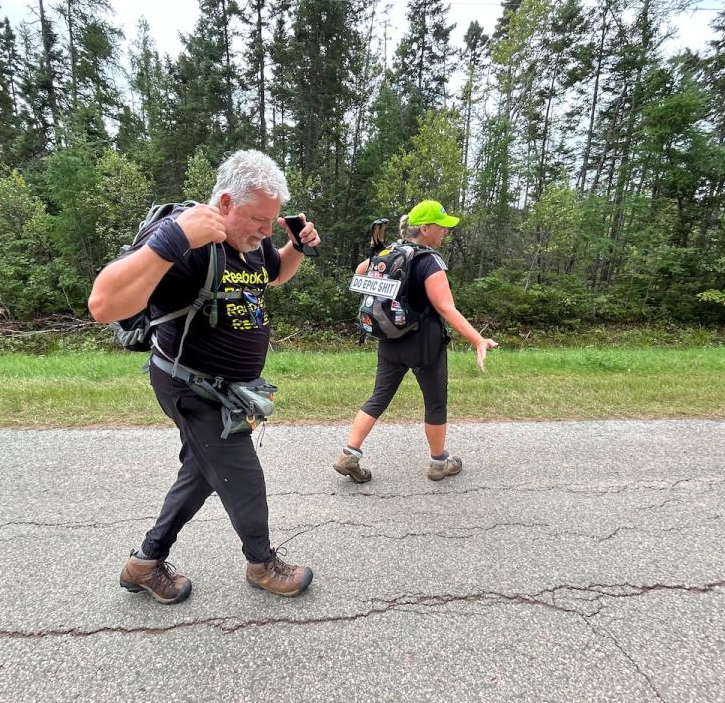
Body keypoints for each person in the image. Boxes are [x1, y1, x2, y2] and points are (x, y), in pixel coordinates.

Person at [88, 150, 319, 604]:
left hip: (231, 390)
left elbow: (274, 277)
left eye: (273, 221)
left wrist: (297, 249)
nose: (266, 230)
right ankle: (261, 564)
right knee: (243, 475)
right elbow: (103, 305)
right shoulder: (185, 240)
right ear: (227, 203)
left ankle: (144, 564)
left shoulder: (253, 244)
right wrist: (172, 240)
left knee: (202, 472)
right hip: (190, 384)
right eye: (258, 219)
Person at [334, 200, 498, 484]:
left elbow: (360, 273)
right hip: (424, 345)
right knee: (435, 402)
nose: (445, 232)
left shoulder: (390, 252)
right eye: (442, 227)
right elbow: (447, 308)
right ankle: (439, 464)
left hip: (389, 338)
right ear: (425, 228)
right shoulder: (428, 261)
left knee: (379, 397)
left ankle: (349, 454)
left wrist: (379, 260)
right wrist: (477, 340)